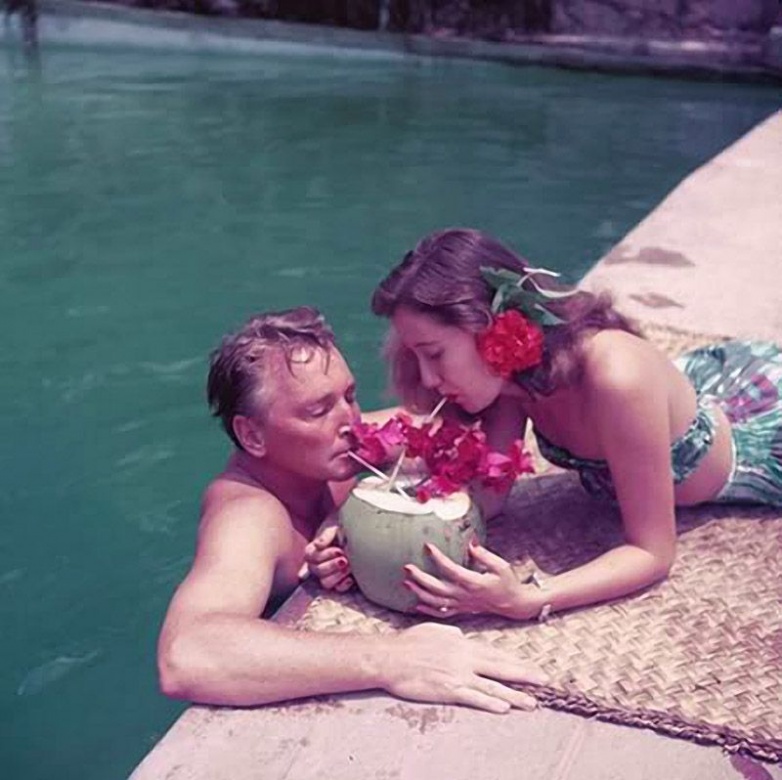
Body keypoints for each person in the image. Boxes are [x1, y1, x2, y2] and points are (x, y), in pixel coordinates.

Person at [363, 227, 782, 622]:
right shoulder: (512, 384)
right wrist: (373, 531)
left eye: (434, 354)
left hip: (761, 437)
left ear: (489, 327)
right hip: (685, 398)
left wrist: (528, 598)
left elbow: (652, 552)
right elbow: (489, 499)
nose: (428, 378)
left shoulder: (617, 380)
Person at [157, 306, 546, 712]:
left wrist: (339, 518)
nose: (351, 421)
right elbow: (187, 656)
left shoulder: (336, 449)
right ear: (252, 435)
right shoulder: (249, 516)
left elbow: (485, 408)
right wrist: (391, 659)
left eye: (350, 396)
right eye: (318, 410)